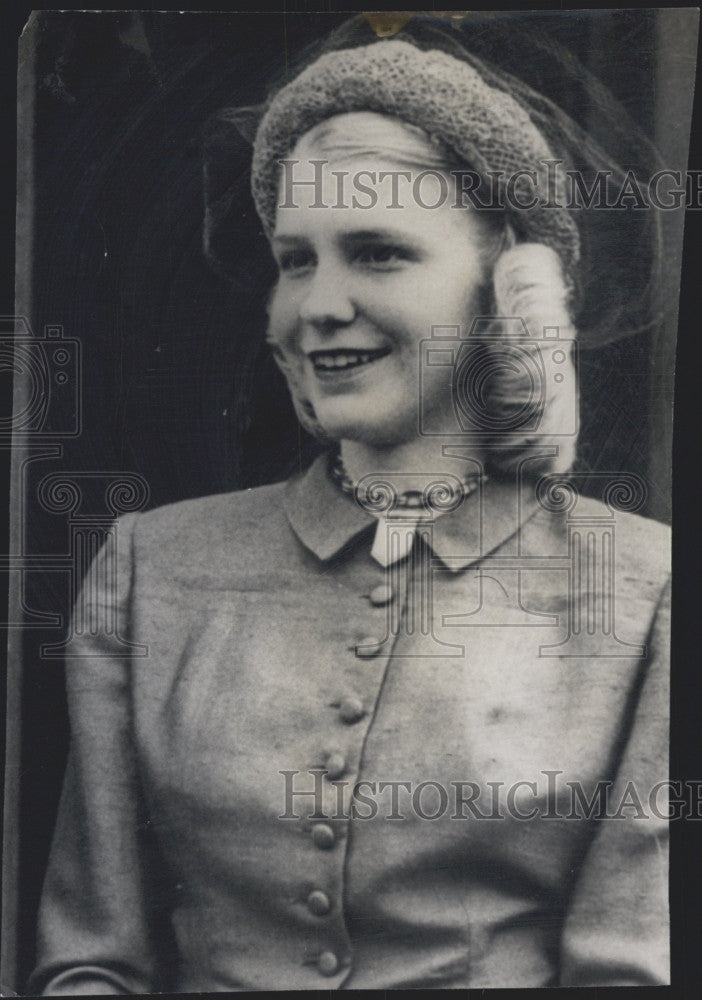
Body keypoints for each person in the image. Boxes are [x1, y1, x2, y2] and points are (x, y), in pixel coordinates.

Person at [28, 14, 670, 992]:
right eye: (295, 260)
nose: (317, 304)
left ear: (509, 291)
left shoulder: (650, 593)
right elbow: (89, 960)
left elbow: (633, 971)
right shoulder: (150, 568)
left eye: (378, 253)